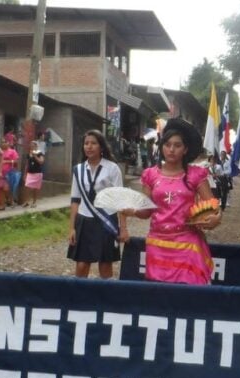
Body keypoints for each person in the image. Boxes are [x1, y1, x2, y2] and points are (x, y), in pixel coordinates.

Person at [125, 118, 221, 284]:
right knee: (160, 298)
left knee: (189, 298)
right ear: (161, 147)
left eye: (177, 145)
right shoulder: (150, 175)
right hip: (157, 244)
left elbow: (214, 207)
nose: (171, 149)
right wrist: (130, 211)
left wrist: (216, 218)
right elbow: (146, 211)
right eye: (167, 144)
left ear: (185, 150)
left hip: (187, 245)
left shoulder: (195, 174)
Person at [67, 130, 129, 279]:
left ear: (101, 147)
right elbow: (75, 200)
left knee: (105, 264)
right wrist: (71, 228)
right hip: (84, 220)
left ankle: (105, 299)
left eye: (93, 143)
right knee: (82, 264)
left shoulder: (112, 168)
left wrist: (123, 228)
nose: (89, 147)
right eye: (86, 143)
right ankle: (80, 300)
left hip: (106, 220)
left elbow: (119, 200)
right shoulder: (78, 170)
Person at [0, 139, 17, 209]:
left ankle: (10, 200)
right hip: (1, 173)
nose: (4, 144)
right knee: (1, 187)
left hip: (9, 172)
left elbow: (16, 161)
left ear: (9, 143)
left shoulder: (12, 151)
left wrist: (6, 161)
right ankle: (3, 203)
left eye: (5, 142)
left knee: (8, 188)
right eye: (2, 142)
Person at [22, 141, 44, 207]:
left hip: (37, 173)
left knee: (35, 188)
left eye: (33, 145)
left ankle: (34, 202)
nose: (31, 146)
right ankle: (26, 201)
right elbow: (27, 164)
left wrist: (35, 156)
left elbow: (41, 162)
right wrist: (25, 173)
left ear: (36, 146)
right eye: (30, 145)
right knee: (27, 186)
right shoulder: (29, 154)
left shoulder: (39, 153)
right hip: (30, 173)